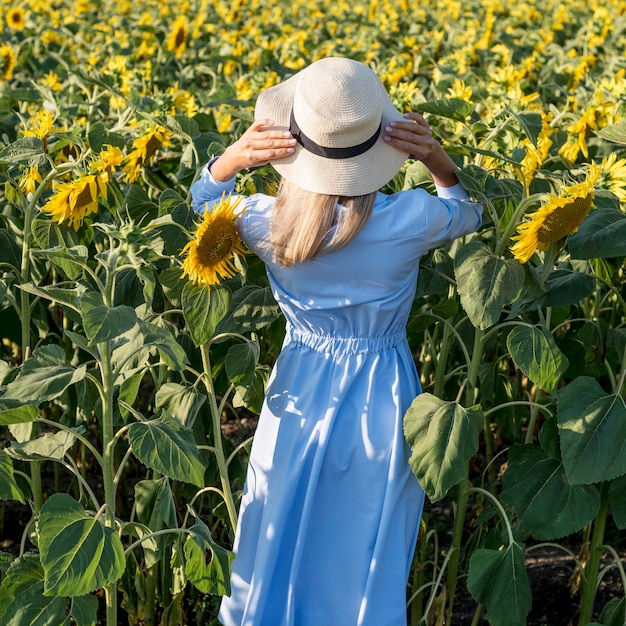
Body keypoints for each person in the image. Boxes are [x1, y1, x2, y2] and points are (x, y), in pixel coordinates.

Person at [190, 56, 482, 626]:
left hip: (298, 389)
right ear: (379, 145)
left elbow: (203, 207)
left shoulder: (262, 222)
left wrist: (230, 160)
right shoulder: (410, 220)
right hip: (382, 395)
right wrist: (437, 160)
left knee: (279, 519)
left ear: (289, 143)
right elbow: (468, 213)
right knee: (362, 539)